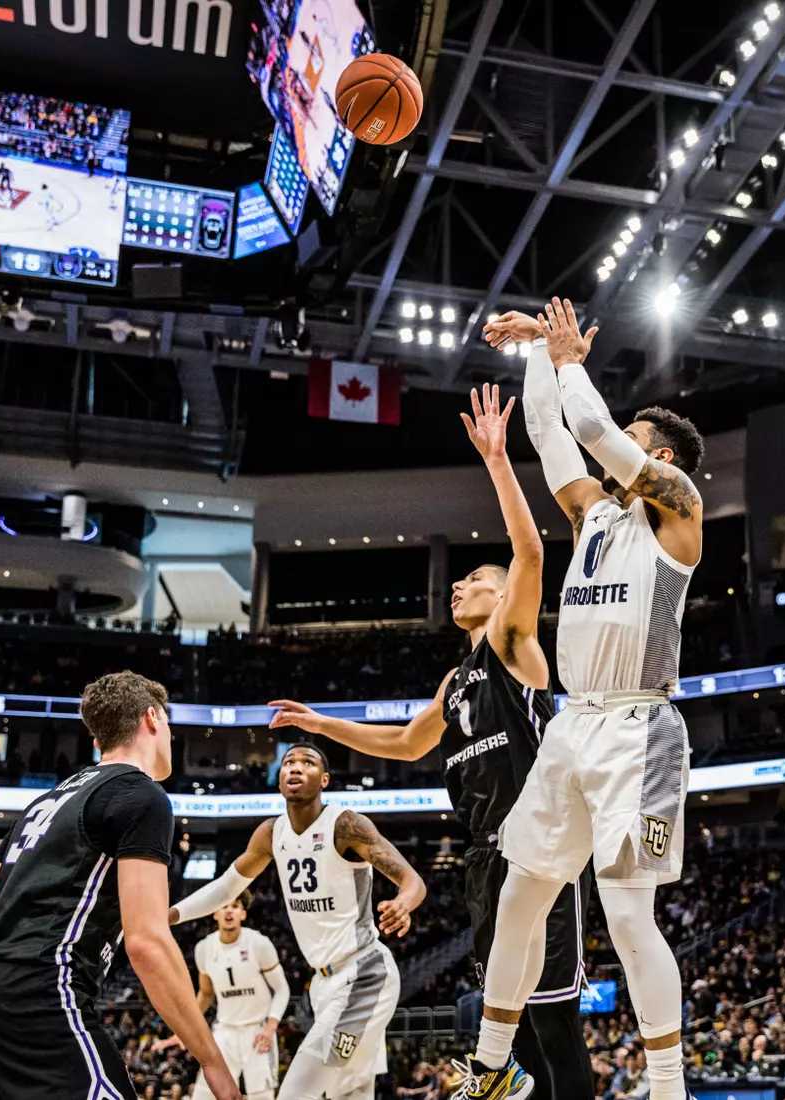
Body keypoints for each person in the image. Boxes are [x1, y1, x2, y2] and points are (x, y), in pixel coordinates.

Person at [268, 385, 595, 1100]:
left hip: (539, 849)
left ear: (504, 595)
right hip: (484, 858)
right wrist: (321, 725)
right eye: (459, 585)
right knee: (514, 1029)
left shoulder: (514, 645)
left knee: (555, 1022)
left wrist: (498, 460)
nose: (459, 589)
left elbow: (530, 547)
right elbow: (406, 744)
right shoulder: (457, 679)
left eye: (475, 581)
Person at [464, 298, 707, 1100]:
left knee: (629, 916)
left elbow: (597, 431)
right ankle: (493, 1069)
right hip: (575, 727)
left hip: (641, 726)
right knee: (519, 901)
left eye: (637, 444)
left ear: (662, 456)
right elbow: (550, 432)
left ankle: (668, 1085)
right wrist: (538, 349)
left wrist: (570, 359)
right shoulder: (594, 514)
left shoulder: (678, 509)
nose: (613, 453)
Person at [0, 671, 240, 1100]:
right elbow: (147, 943)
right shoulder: (141, 795)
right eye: (171, 726)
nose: (172, 736)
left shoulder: (41, 804)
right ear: (152, 718)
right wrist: (212, 1061)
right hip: (42, 993)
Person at [169, 743, 426, 1100]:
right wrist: (172, 914)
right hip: (323, 985)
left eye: (307, 763)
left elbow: (413, 881)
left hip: (364, 974)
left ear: (324, 779)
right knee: (351, 1092)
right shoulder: (271, 834)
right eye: (288, 762)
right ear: (279, 779)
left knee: (296, 1092)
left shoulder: (346, 825)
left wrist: (403, 903)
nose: (295, 767)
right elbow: (226, 886)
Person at [154, 895, 289, 1100]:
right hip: (224, 1031)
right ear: (215, 913)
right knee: (203, 1095)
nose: (229, 911)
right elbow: (206, 994)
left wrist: (271, 1028)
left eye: (235, 907)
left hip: (258, 1030)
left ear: (243, 914)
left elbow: (282, 989)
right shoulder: (204, 949)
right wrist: (184, 1029)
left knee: (262, 1096)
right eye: (223, 906)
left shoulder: (259, 944)